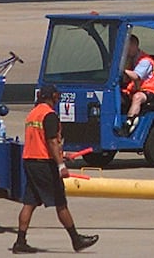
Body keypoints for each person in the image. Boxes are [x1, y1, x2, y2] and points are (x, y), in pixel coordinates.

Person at [14, 84, 98, 253]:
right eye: (57, 96)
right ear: (52, 96)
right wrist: (61, 165)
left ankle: (20, 241)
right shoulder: (49, 115)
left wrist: (62, 153)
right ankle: (76, 240)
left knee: (29, 202)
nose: (58, 98)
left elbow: (41, 141)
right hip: (44, 164)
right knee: (60, 202)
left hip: (30, 161)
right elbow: (51, 141)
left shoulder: (33, 114)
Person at [118, 34, 154, 134]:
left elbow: (136, 76)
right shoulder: (129, 59)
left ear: (134, 46)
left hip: (151, 90)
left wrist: (122, 70)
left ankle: (129, 122)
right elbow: (125, 80)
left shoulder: (145, 61)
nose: (126, 50)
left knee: (137, 97)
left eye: (127, 47)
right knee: (116, 93)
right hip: (136, 88)